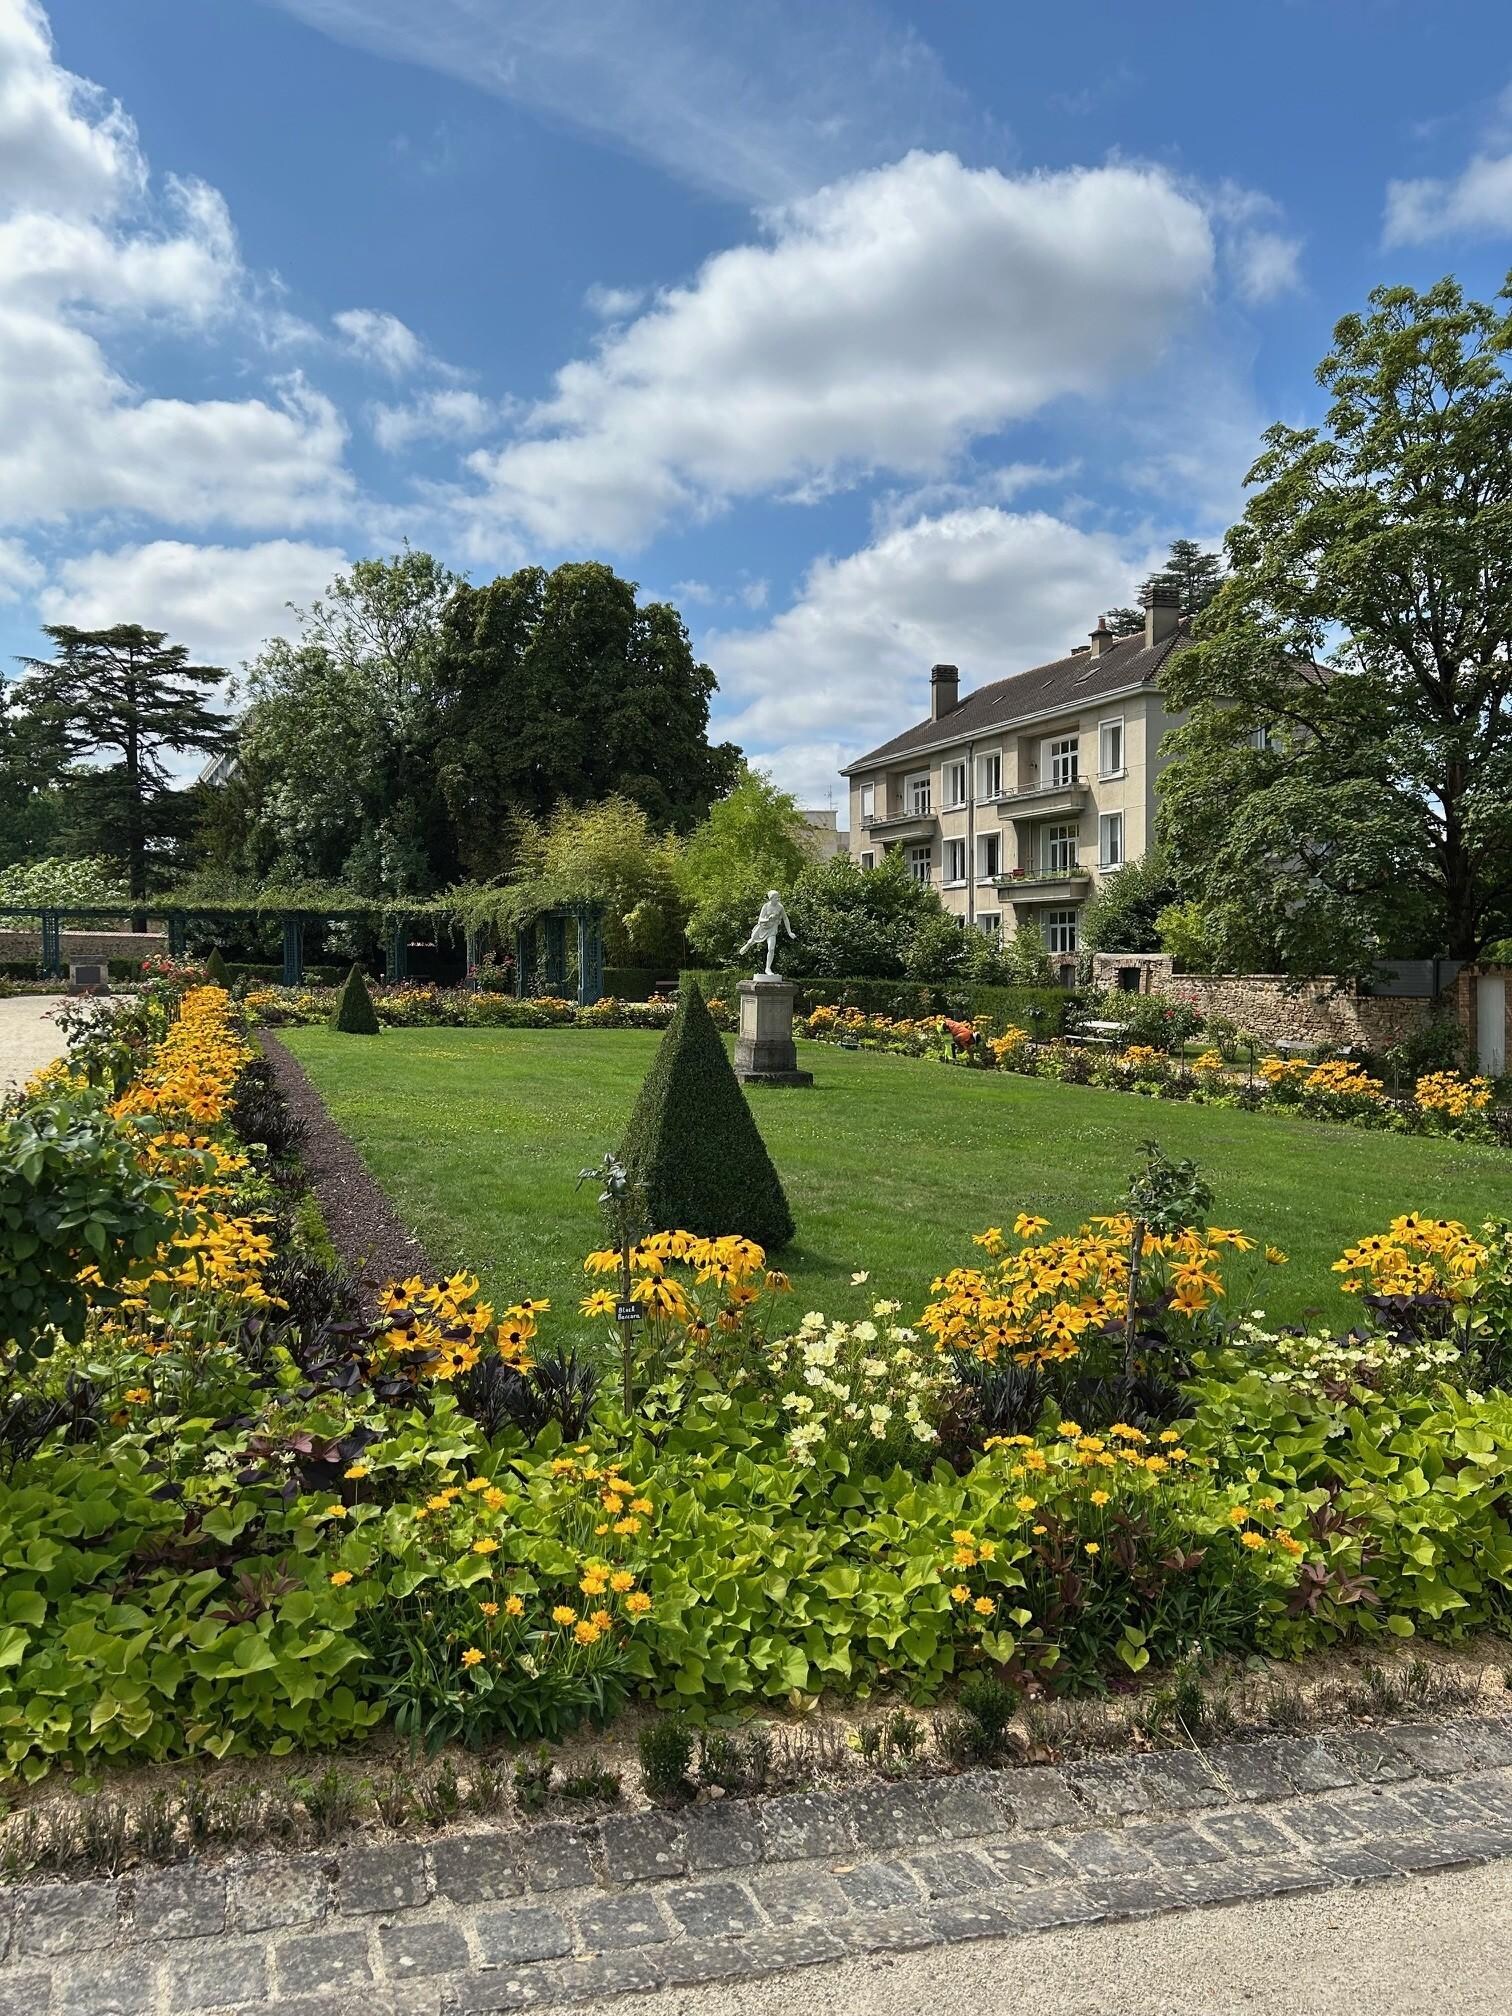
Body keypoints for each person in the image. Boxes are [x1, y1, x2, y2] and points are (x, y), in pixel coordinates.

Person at [740, 889, 795, 977]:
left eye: (778, 897)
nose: (778, 899)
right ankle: (747, 945)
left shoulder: (780, 907)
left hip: (772, 929)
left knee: (771, 948)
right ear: (771, 898)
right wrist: (768, 919)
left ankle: (768, 968)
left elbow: (785, 918)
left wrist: (789, 932)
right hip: (763, 927)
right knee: (751, 941)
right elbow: (760, 919)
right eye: (776, 897)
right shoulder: (766, 906)